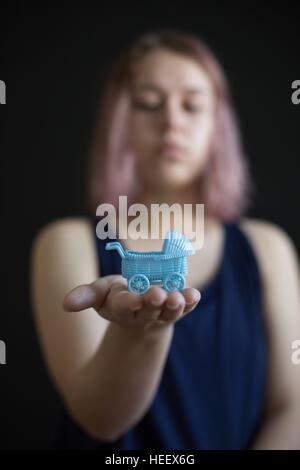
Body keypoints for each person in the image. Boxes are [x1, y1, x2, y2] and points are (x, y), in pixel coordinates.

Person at [30, 29, 300, 450]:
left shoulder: (269, 250)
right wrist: (141, 332)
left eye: (193, 105)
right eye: (149, 103)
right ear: (119, 123)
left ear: (218, 126)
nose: (172, 121)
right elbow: (99, 419)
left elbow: (293, 407)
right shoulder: (67, 243)